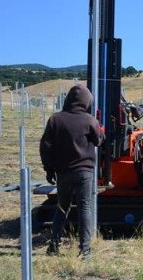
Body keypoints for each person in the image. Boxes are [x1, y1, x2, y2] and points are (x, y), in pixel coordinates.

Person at [40, 84, 104, 259]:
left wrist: (49, 168)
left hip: (63, 171)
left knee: (62, 207)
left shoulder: (55, 119)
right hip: (84, 171)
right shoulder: (90, 120)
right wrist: (101, 131)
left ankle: (54, 244)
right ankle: (85, 250)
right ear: (86, 101)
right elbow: (98, 141)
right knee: (84, 207)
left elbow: (45, 146)